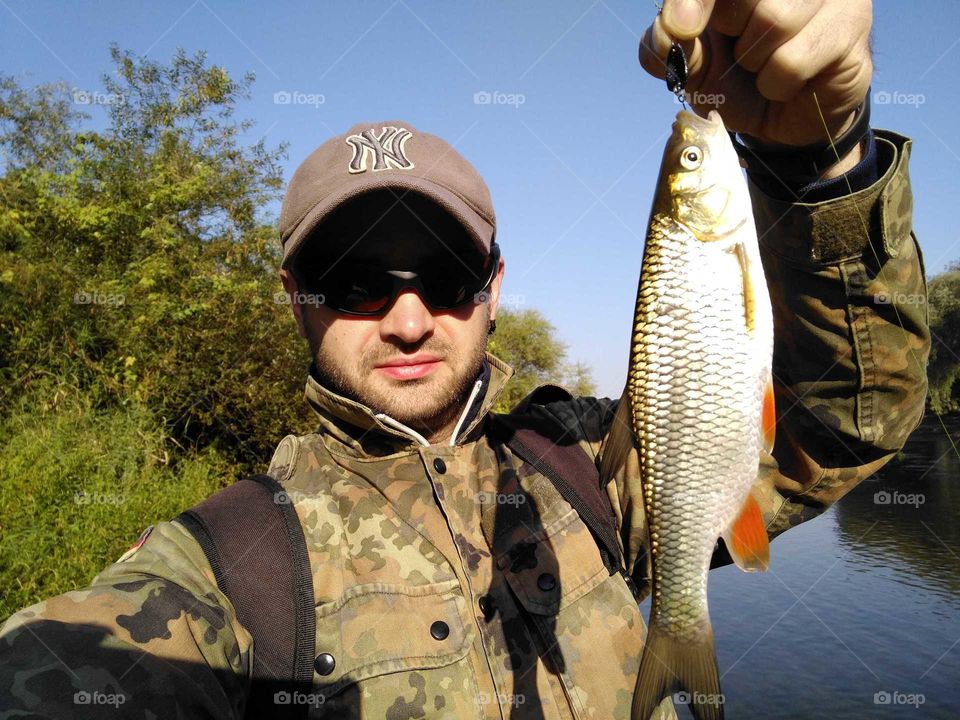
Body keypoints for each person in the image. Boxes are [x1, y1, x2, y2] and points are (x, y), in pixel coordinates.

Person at [0, 0, 929, 718]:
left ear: (492, 286)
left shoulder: (587, 474)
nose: (407, 318)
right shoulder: (223, 570)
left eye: (443, 272)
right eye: (353, 276)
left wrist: (830, 165)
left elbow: (851, 424)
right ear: (294, 295)